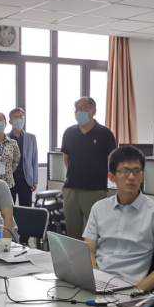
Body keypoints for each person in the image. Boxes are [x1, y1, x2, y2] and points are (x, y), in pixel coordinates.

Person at [84, 146, 154, 292]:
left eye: (136, 171)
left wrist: (136, 290)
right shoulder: (99, 208)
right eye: (125, 171)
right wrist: (93, 279)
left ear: (142, 176)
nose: (131, 177)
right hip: (99, 282)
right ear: (112, 177)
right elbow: (89, 250)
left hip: (131, 287)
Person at [61, 97, 117, 240]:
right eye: (76, 109)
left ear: (94, 111)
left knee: (96, 233)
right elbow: (66, 159)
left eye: (83, 108)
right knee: (72, 234)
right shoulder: (69, 133)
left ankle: (94, 256)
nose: (79, 112)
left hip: (94, 190)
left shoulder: (105, 133)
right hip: (71, 189)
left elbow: (112, 161)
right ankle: (75, 256)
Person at [8, 108, 38, 246]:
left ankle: (24, 240)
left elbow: (34, 159)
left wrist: (35, 180)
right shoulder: (5, 138)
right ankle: (11, 238)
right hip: (10, 180)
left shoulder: (31, 137)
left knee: (26, 210)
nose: (19, 119)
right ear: (10, 121)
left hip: (26, 180)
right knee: (9, 210)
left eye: (21, 117)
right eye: (16, 117)